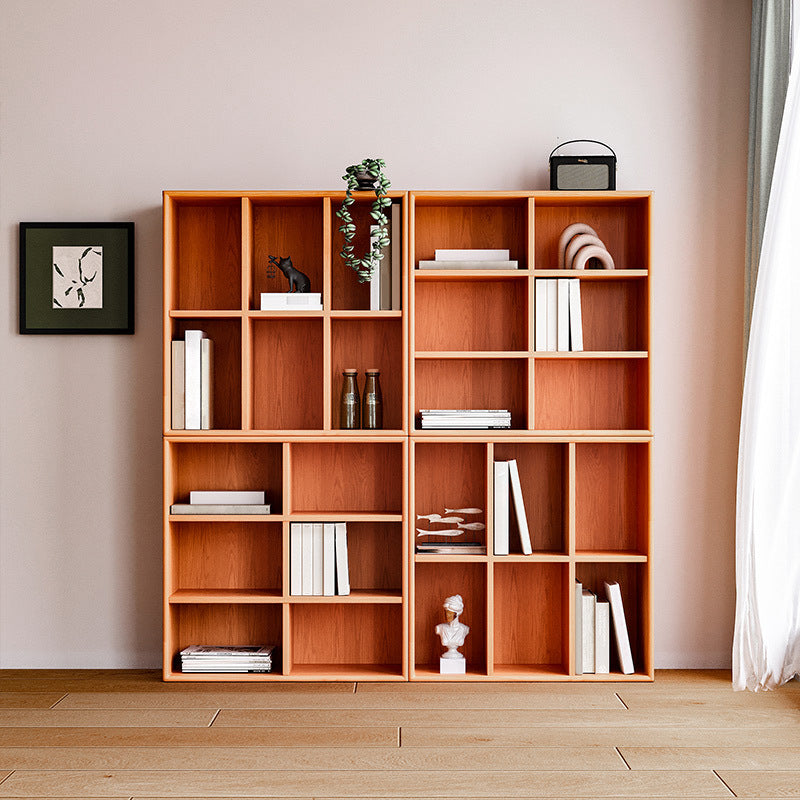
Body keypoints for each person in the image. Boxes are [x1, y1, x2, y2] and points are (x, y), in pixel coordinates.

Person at [435, 594, 469, 659]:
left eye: (450, 613)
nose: (447, 615)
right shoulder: (440, 628)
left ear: (457, 613)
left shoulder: (464, 629)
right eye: (446, 612)